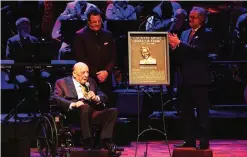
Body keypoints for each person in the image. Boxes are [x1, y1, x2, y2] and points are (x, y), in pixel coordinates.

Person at [168, 7, 213, 150]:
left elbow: (198, 52)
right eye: (190, 17)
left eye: (193, 17)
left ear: (201, 19)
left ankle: (204, 141)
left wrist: (179, 44)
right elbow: (181, 55)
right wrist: (174, 47)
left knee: (202, 113)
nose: (190, 19)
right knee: (185, 112)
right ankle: (189, 140)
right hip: (185, 79)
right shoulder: (185, 33)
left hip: (199, 80)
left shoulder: (207, 33)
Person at [52, 62, 120, 154]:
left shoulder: (91, 81)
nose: (86, 75)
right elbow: (55, 98)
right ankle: (87, 140)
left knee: (113, 111)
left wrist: (96, 97)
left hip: (92, 113)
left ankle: (106, 140)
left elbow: (104, 96)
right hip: (74, 114)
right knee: (85, 107)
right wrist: (73, 104)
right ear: (74, 74)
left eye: (87, 72)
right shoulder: (62, 82)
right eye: (83, 72)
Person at [74, 7, 116, 107]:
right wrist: (96, 74)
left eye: (99, 21)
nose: (97, 24)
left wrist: (106, 71)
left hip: (106, 78)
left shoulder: (108, 35)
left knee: (108, 106)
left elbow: (113, 57)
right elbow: (80, 59)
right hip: (89, 78)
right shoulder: (80, 35)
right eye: (94, 22)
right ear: (88, 22)